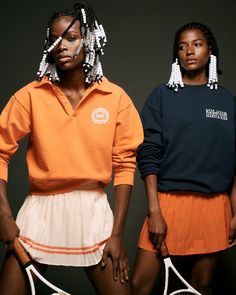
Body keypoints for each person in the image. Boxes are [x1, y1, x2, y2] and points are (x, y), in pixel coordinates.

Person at [0, 3, 143, 294]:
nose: (61, 46)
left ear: (88, 40)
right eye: (55, 39)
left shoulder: (116, 98)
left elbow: (126, 165)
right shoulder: (30, 95)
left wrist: (117, 234)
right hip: (39, 210)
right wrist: (3, 215)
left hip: (92, 213)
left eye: (71, 37)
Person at [131, 21, 236, 295]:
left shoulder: (228, 102)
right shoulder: (162, 96)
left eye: (197, 44)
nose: (189, 51)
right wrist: (154, 210)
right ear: (176, 54)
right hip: (167, 203)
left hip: (214, 206)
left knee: (202, 287)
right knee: (140, 285)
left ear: (210, 50)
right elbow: (148, 152)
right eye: (182, 46)